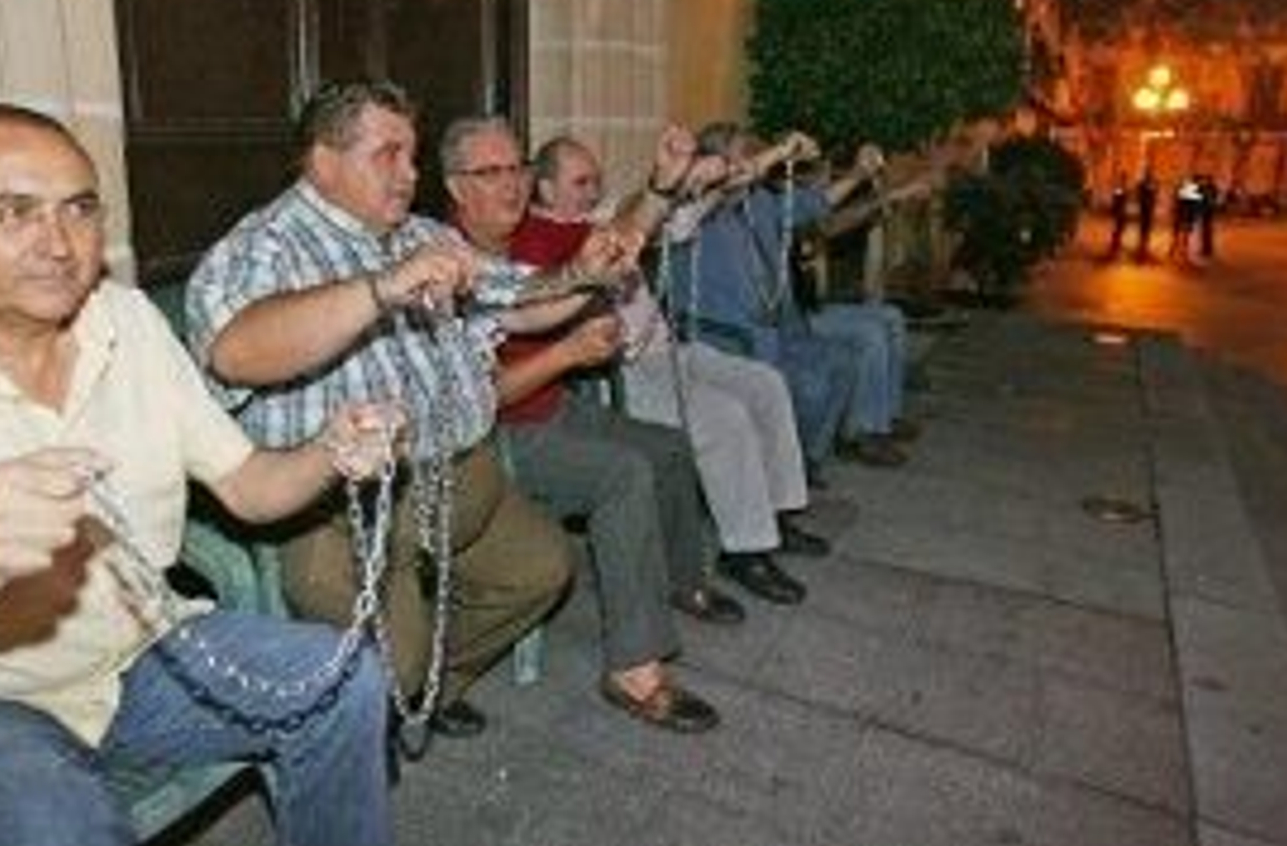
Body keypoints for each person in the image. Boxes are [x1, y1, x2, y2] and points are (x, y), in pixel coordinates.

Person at [0, 104, 394, 846]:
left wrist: (331, 449)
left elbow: (250, 486)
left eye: (78, 209)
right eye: (12, 212)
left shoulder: (126, 320)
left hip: (140, 653)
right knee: (55, 835)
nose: (57, 243)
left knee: (345, 677)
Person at [186, 80, 573, 744]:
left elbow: (524, 300)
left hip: (457, 480)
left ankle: (427, 690)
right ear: (323, 159)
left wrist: (591, 270)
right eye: (387, 154)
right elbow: (235, 351)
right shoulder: (265, 246)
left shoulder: (420, 233)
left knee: (543, 569)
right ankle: (392, 695)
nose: (410, 173)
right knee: (402, 659)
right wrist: (380, 289)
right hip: (341, 508)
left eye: (412, 155)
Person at [446, 115, 737, 734]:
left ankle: (679, 581)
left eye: (517, 168)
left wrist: (660, 187)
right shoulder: (448, 263)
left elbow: (611, 244)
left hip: (554, 407)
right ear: (454, 187)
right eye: (490, 173)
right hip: (499, 438)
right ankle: (634, 669)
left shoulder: (523, 239)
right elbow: (479, 401)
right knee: (623, 474)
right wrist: (567, 352)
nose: (511, 184)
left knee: (667, 448)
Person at [529, 134, 825, 606]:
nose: (593, 191)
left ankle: (777, 514)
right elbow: (633, 215)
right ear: (546, 189)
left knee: (766, 385)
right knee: (723, 417)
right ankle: (746, 550)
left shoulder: (596, 218)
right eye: (581, 182)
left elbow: (678, 213)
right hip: (619, 374)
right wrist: (664, 190)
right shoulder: (538, 241)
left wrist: (754, 163)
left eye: (596, 181)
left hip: (669, 349)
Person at [668, 122, 917, 481]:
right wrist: (781, 152)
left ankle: (805, 458)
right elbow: (715, 187)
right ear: (710, 165)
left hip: (780, 328)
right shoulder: (696, 212)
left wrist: (859, 174)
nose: (754, 164)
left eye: (754, 156)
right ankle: (785, 465)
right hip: (730, 340)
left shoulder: (761, 201)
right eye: (745, 156)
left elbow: (817, 204)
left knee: (844, 361)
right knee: (812, 382)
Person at [1133, 169, 1158, 262]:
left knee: (1146, 229)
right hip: (1144, 209)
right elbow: (1139, 195)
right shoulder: (1143, 184)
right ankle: (1142, 248)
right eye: (1149, 175)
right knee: (1143, 229)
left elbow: (1154, 194)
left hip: (1148, 210)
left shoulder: (1151, 184)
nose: (1150, 176)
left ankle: (1144, 246)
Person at [1104, 178, 1129, 261]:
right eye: (1124, 181)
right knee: (1117, 229)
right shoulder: (1118, 190)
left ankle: (1117, 243)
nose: (1125, 182)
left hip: (1122, 212)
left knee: (1120, 229)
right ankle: (1114, 245)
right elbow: (1117, 200)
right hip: (1119, 212)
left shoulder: (1123, 189)